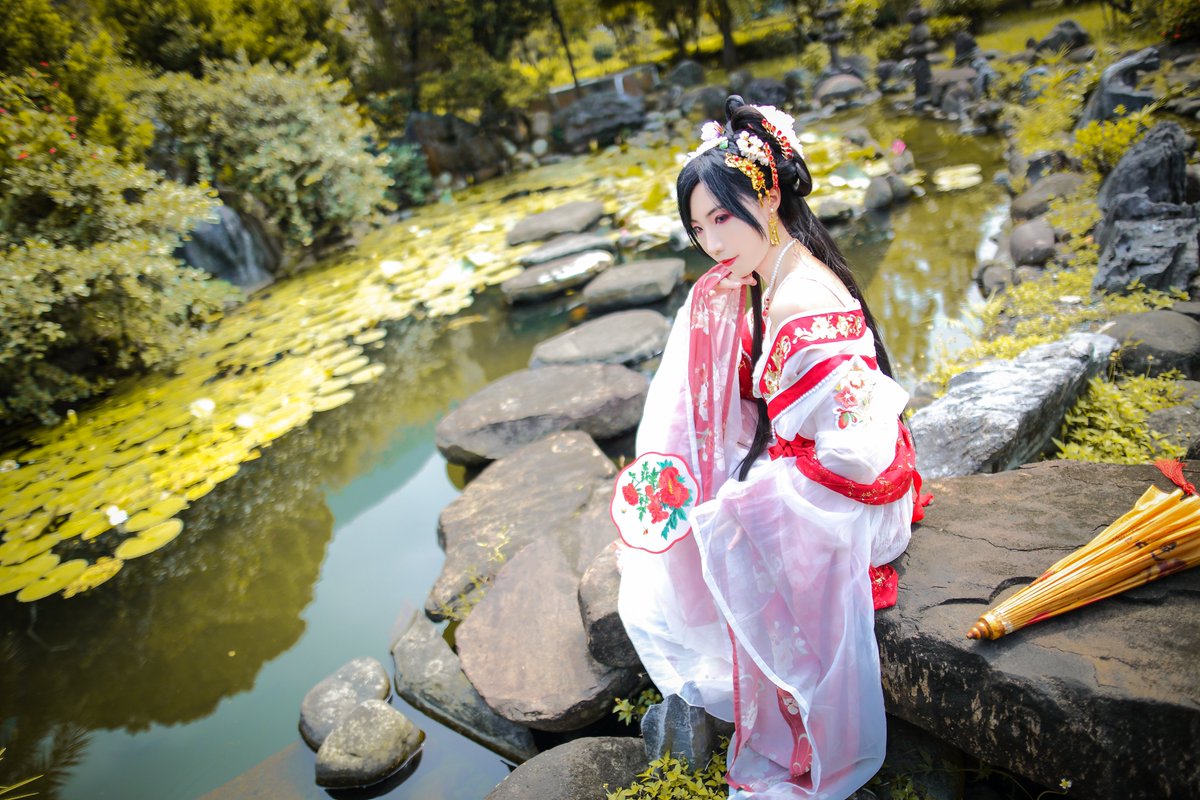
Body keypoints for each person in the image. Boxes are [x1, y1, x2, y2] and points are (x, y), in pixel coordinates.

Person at [616, 96, 927, 799]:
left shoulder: (800, 298)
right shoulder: (769, 272)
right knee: (704, 498)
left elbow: (853, 454)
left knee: (717, 524)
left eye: (724, 217)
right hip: (830, 464)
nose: (713, 241)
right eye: (699, 227)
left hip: (850, 495)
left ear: (770, 194)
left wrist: (751, 497)